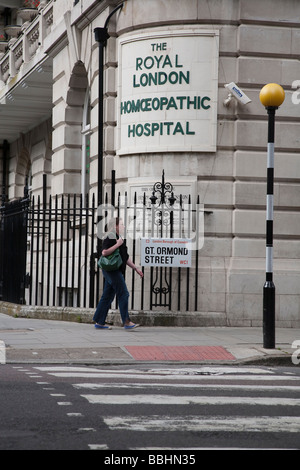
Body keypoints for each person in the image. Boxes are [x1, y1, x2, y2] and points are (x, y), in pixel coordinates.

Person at [93, 217, 143, 330]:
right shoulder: (110, 236)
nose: (123, 226)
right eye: (121, 224)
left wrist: (136, 268)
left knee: (107, 296)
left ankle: (99, 322)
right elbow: (104, 252)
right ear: (115, 226)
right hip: (112, 270)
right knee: (124, 293)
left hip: (114, 270)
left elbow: (125, 257)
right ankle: (126, 321)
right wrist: (117, 244)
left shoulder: (118, 237)